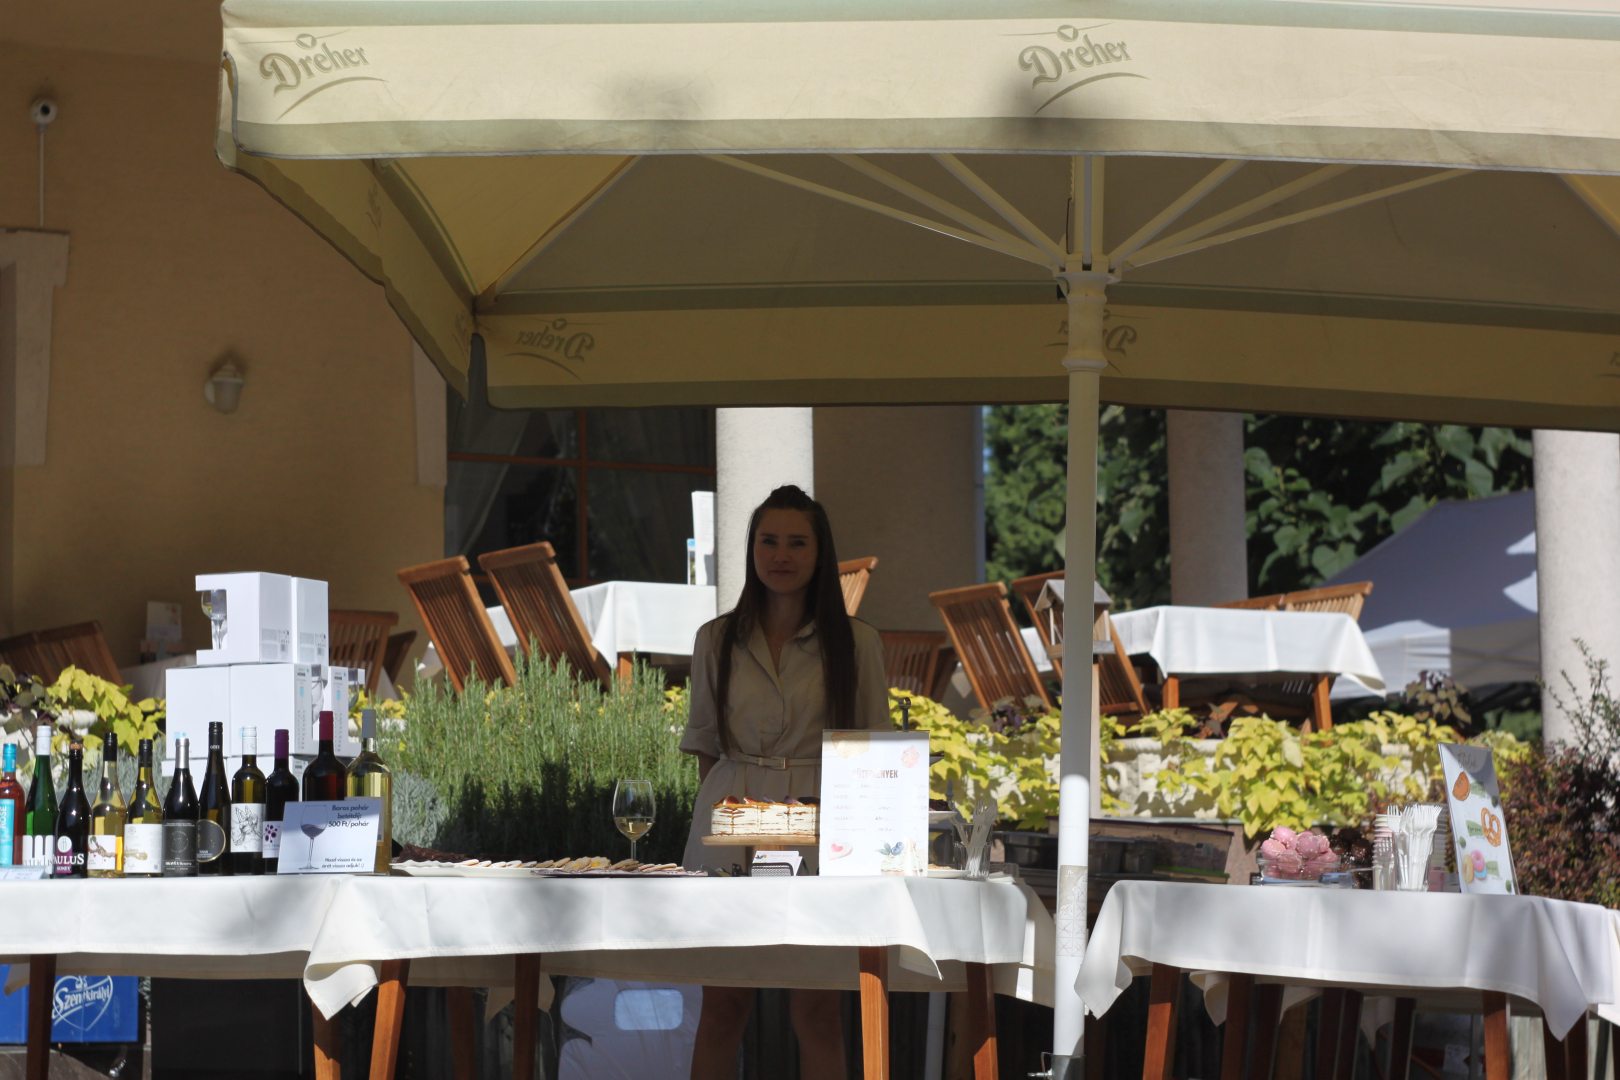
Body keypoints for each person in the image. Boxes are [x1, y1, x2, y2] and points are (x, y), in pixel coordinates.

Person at [680, 484, 889, 1080]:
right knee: (722, 1004)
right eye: (768, 541)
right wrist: (730, 816)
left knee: (817, 1008)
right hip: (730, 816)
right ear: (751, 551)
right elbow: (705, 747)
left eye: (798, 542)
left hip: (819, 821)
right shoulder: (715, 639)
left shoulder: (858, 643)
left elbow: (874, 752)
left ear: (820, 554)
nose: (781, 555)